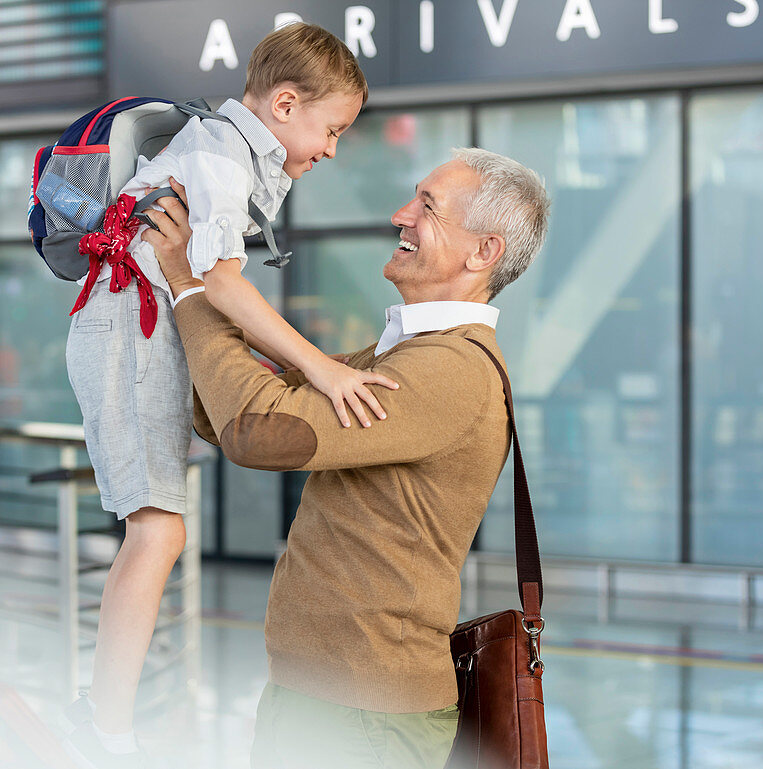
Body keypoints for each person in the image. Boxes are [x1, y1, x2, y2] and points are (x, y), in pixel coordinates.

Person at [141, 147, 551, 769]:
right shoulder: (404, 353)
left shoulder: (451, 369)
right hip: (323, 698)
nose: (400, 214)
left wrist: (191, 290)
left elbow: (263, 430)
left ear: (483, 252)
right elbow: (234, 414)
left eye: (428, 207)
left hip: (365, 715)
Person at [62, 22, 397, 768]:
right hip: (130, 328)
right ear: (284, 104)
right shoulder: (217, 158)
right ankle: (104, 730)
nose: (334, 149)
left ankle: (105, 722)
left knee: (159, 530)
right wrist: (323, 369)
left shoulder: (226, 152)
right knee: (158, 531)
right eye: (332, 129)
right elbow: (218, 282)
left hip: (143, 327)